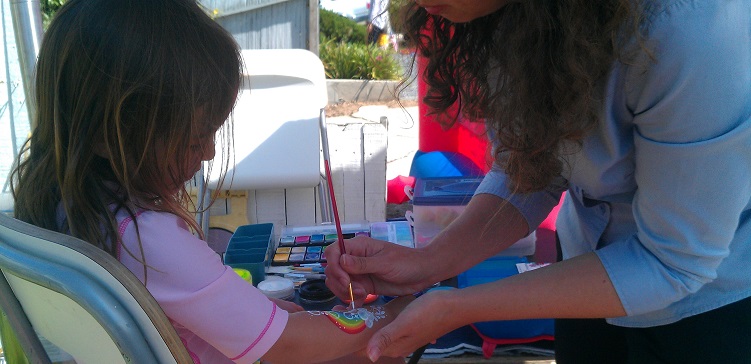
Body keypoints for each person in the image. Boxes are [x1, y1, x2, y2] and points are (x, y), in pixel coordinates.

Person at [325, 0, 751, 363]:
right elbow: (530, 167)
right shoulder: (511, 16)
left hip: (709, 305)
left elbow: (673, 261)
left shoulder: (690, 30)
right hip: (584, 273)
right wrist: (428, 263)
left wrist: (457, 308)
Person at [9, 0, 412, 363]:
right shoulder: (148, 240)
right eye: (193, 137)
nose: (208, 153)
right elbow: (291, 346)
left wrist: (283, 318)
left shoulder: (67, 211)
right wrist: (399, 311)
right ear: (106, 134)